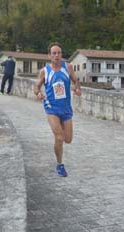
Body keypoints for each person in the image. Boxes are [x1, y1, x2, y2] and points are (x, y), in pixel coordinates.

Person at [33, 42, 81, 177]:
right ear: (49, 56)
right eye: (54, 53)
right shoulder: (44, 71)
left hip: (66, 108)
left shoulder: (68, 67)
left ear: (61, 55)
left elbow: (76, 80)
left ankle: (58, 144)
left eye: (59, 53)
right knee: (59, 137)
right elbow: (36, 86)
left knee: (68, 139)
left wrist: (77, 89)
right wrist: (38, 93)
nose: (56, 55)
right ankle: (60, 164)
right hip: (51, 108)